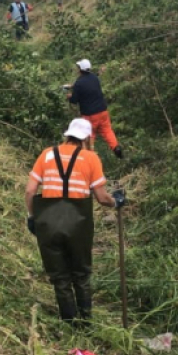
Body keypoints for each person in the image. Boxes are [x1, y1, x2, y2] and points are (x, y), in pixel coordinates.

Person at [25, 118, 126, 323]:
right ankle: (86, 321)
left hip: (49, 222)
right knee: (81, 273)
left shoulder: (46, 154)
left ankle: (69, 322)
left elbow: (30, 190)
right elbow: (101, 197)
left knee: (60, 276)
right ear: (87, 138)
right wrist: (116, 202)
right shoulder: (90, 158)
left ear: (67, 135)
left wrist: (32, 216)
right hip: (78, 224)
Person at [66, 59, 123, 158]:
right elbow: (88, 86)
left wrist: (70, 97)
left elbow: (74, 100)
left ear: (80, 70)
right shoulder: (94, 78)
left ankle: (90, 157)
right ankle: (116, 148)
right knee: (107, 130)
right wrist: (73, 87)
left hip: (90, 115)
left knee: (90, 135)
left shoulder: (79, 83)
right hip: (103, 111)